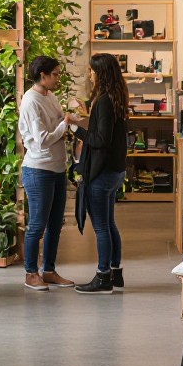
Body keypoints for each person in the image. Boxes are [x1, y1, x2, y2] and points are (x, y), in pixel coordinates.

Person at [18, 55, 78, 291]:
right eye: (54, 74)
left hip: (56, 168)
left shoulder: (49, 96)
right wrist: (65, 125)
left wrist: (70, 122)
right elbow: (42, 140)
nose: (57, 78)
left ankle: (49, 271)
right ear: (42, 75)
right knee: (37, 225)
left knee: (55, 224)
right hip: (38, 170)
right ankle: (31, 273)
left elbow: (58, 124)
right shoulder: (31, 101)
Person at [71, 52, 129, 294]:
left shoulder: (104, 100)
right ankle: (115, 273)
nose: (89, 75)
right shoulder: (117, 97)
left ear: (101, 73)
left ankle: (103, 276)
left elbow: (101, 139)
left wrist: (76, 129)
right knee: (109, 224)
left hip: (102, 172)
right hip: (115, 171)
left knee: (101, 228)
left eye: (91, 71)